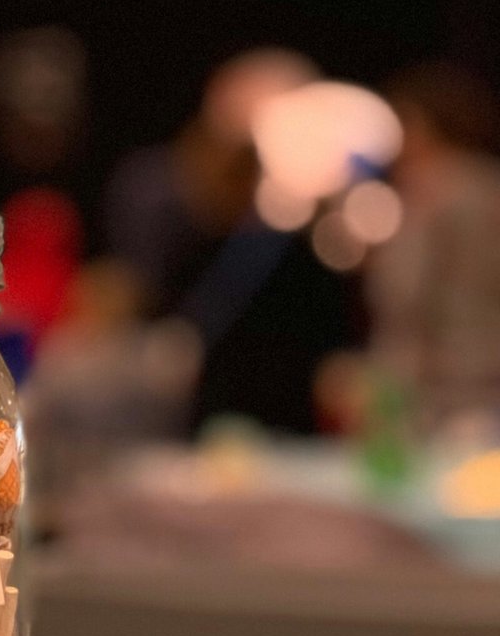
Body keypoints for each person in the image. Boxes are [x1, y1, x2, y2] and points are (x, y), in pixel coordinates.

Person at [105, 49, 357, 434]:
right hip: (204, 413)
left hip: (289, 412)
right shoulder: (171, 204)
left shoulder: (311, 228)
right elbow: (150, 291)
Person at [367, 62, 500, 430]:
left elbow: (402, 291)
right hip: (487, 374)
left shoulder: (432, 190)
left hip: (435, 384)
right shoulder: (489, 184)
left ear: (421, 125)